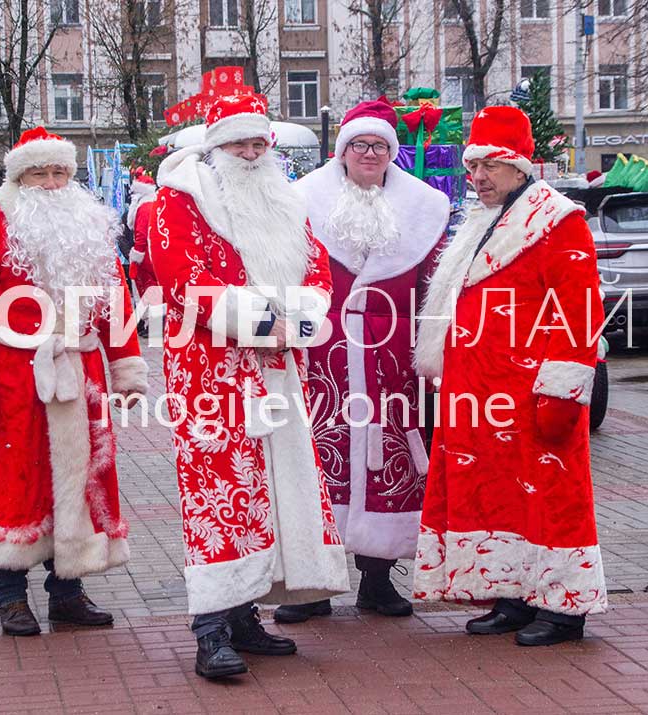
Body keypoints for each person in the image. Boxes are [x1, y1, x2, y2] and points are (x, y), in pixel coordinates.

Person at [151, 92, 349, 679]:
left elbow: (317, 273)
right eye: (239, 142)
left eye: (259, 141)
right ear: (215, 147)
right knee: (218, 494)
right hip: (210, 373)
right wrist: (262, 322)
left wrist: (297, 321)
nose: (251, 150)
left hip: (279, 369)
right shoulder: (179, 200)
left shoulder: (286, 201)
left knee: (269, 489)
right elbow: (184, 280)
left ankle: (245, 616)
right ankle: (210, 626)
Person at [413, 106, 606, 646]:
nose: (479, 179)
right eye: (474, 168)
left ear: (520, 167)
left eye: (491, 167)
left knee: (552, 495)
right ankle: (515, 595)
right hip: (483, 391)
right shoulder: (486, 220)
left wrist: (563, 390)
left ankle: (566, 608)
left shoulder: (558, 221)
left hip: (535, 391)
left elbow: (579, 310)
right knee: (499, 495)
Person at [0, 126, 149, 637]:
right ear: (20, 176)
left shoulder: (92, 227)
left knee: (80, 481)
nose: (53, 182)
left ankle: (67, 591)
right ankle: (10, 596)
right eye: (41, 172)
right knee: (13, 482)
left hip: (81, 376)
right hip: (14, 377)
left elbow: (116, 302)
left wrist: (126, 367)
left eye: (60, 171)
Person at [274, 100, 450, 624]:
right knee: (317, 463)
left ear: (392, 153)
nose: (368, 154)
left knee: (392, 462)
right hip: (322, 352)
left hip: (394, 355)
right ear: (342, 151)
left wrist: (433, 352)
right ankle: (315, 586)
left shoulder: (425, 208)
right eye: (359, 145)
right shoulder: (302, 201)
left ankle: (377, 581)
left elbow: (435, 290)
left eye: (379, 146)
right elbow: (285, 275)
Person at [125, 172, 159, 335]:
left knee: (148, 290)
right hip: (155, 255)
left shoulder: (144, 207)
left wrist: (136, 257)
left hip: (146, 256)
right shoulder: (154, 204)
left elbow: (141, 234)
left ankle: (153, 327)